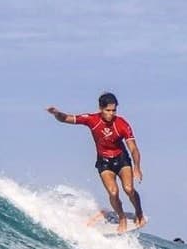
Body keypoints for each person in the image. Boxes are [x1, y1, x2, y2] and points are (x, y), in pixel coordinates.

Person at [46, 93, 145, 233]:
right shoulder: (92, 120)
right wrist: (56, 113)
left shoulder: (122, 124)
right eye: (108, 110)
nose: (111, 114)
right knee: (113, 192)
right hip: (104, 161)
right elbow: (66, 118)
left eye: (114, 110)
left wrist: (137, 168)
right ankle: (121, 217)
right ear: (100, 108)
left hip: (121, 159)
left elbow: (133, 148)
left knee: (128, 189)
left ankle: (139, 212)